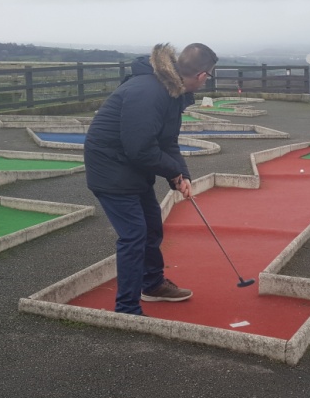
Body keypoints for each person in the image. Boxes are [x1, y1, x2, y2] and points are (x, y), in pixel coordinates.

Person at [84, 42, 218, 315]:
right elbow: (140, 148)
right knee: (134, 236)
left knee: (152, 227)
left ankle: (152, 285)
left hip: (131, 167)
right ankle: (127, 309)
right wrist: (172, 172)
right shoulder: (149, 91)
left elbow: (167, 142)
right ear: (203, 75)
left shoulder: (170, 91)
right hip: (111, 169)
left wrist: (182, 177)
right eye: (210, 75)